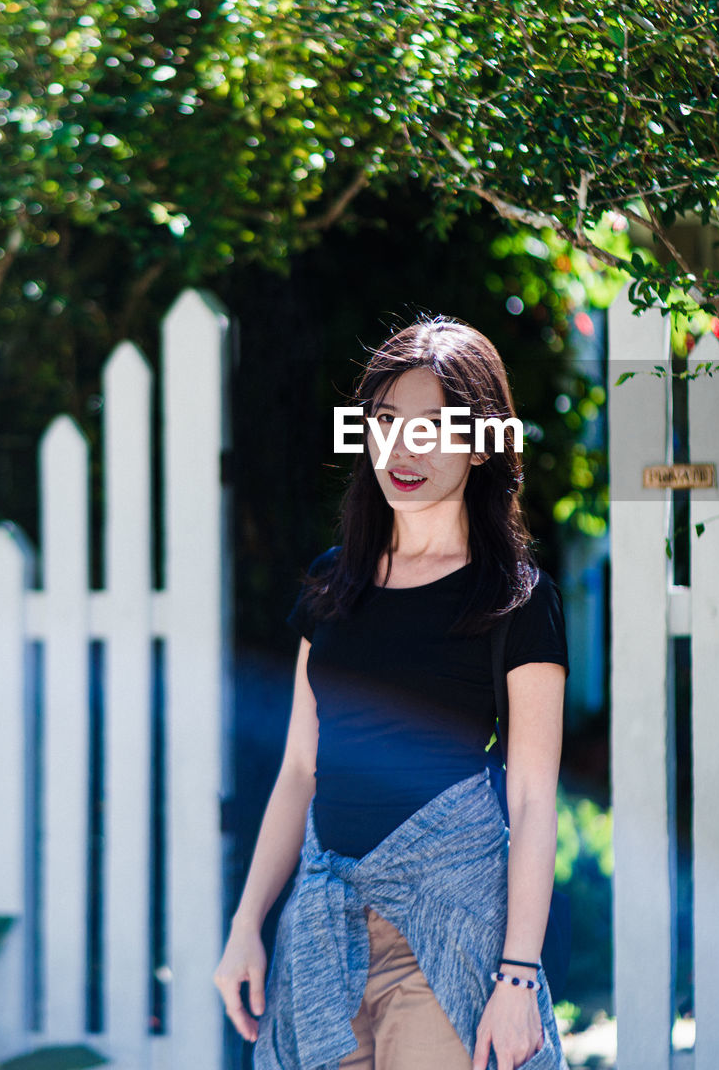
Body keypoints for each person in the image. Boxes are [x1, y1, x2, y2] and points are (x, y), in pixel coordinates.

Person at [214, 314, 570, 1070]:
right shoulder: (333, 582)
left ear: (480, 445)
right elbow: (299, 773)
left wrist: (516, 975)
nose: (404, 448)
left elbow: (534, 800)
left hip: (443, 931)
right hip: (321, 930)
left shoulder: (515, 599)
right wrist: (247, 922)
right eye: (385, 421)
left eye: (436, 426)